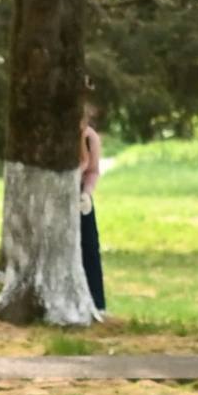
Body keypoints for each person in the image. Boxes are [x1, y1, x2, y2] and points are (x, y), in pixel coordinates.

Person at [79, 109, 106, 318]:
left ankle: (96, 302)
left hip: (80, 196)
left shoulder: (90, 138)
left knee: (89, 247)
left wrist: (86, 193)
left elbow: (92, 170)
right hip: (54, 196)